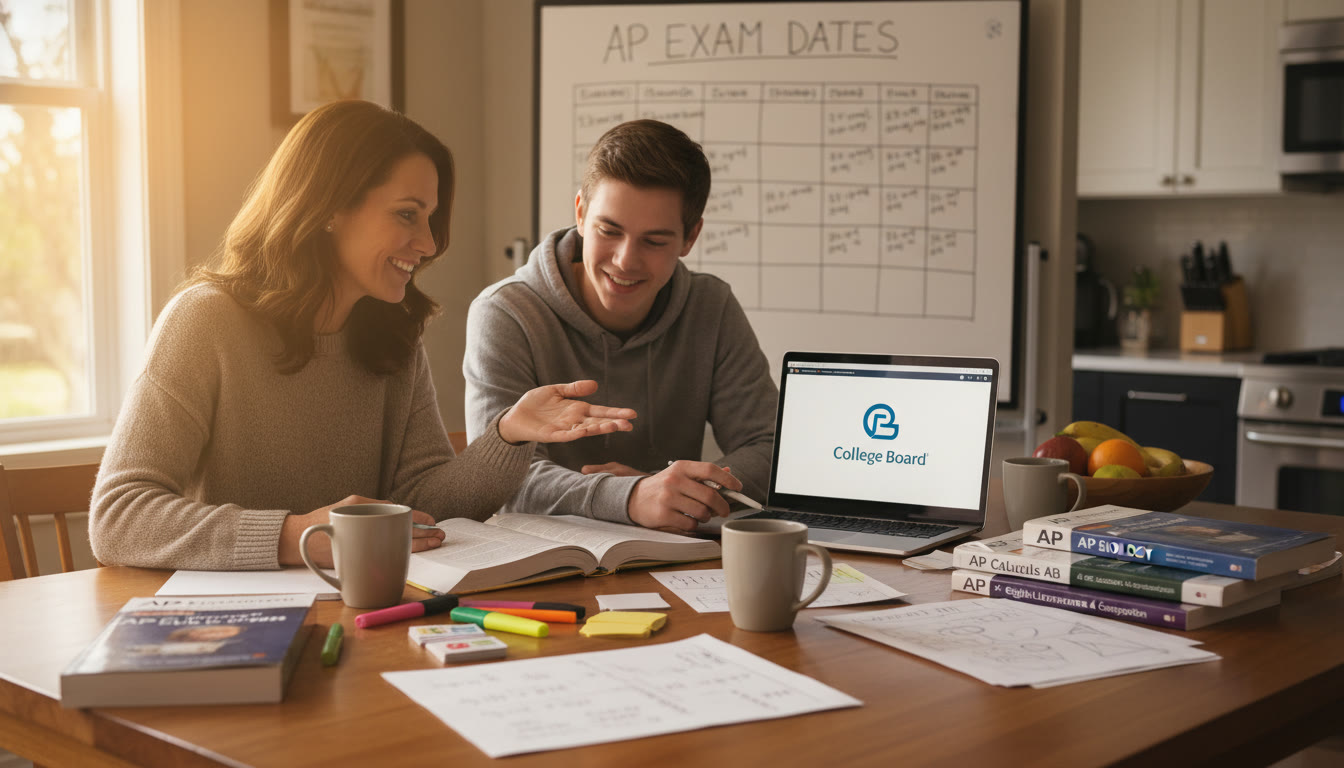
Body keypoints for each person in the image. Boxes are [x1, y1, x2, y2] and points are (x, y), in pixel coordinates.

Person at [90, 100, 635, 571]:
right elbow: (119, 516)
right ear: (328, 207)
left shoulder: (392, 332)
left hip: (359, 611)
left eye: (430, 218)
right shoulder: (205, 321)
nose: (427, 243)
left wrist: (510, 434)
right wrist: (303, 534)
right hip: (225, 622)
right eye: (407, 215)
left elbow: (422, 499)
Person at [464, 119, 777, 532]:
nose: (625, 260)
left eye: (654, 241)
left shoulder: (711, 307)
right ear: (580, 213)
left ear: (690, 238)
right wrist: (629, 497)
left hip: (676, 559)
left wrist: (677, 492)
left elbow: (773, 447)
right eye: (609, 231)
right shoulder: (506, 312)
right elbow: (499, 480)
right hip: (546, 563)